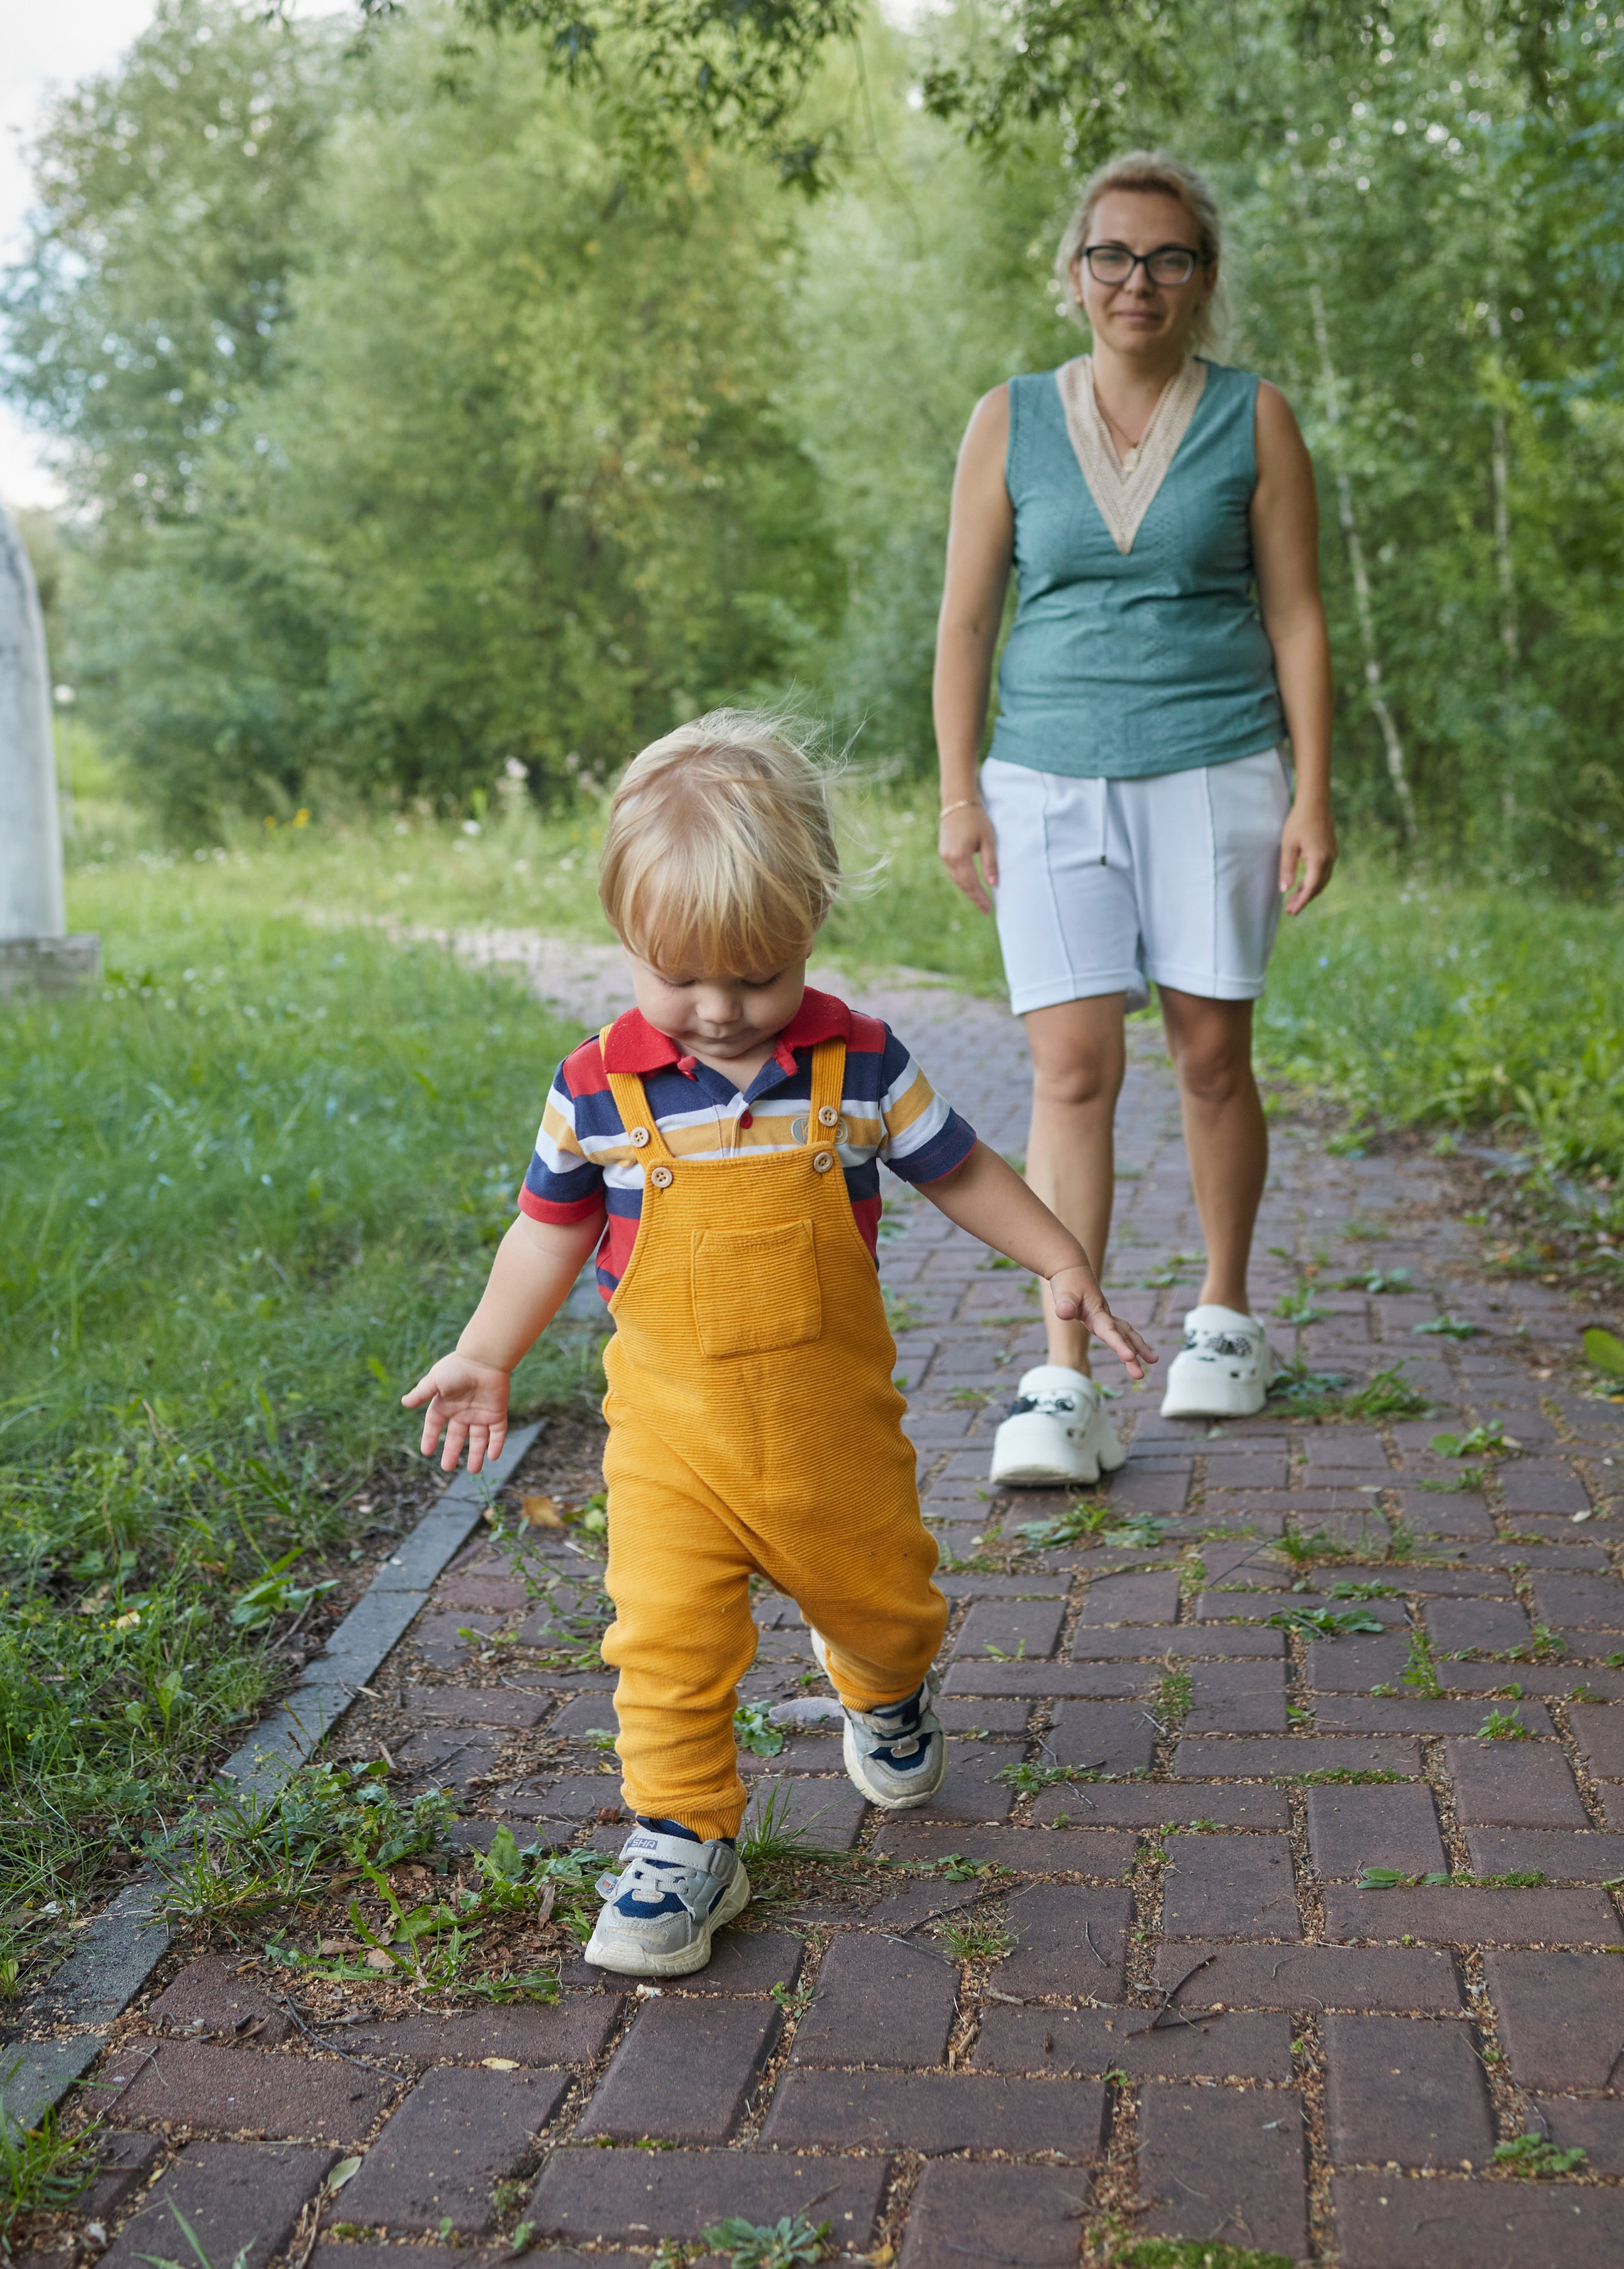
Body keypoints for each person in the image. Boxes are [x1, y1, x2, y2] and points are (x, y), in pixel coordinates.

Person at [403, 710, 1156, 1976]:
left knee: (890, 1603)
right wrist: (489, 1351)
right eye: (680, 976)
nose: (717, 1011)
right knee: (663, 1638)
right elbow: (544, 1234)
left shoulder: (857, 1064)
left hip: (830, 1433)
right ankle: (683, 1839)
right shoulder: (596, 1088)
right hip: (671, 1440)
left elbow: (960, 1169)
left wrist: (1059, 1257)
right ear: (626, 939)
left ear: (810, 924)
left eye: (756, 977)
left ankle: (887, 1683)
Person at [933, 151, 1336, 1479]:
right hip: (1042, 777)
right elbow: (968, 621)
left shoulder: (1254, 418)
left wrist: (1314, 792)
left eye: (1168, 259)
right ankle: (1064, 1379)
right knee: (1071, 1071)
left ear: (1202, 280)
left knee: (1211, 1054)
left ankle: (1224, 1316)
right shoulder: (1008, 420)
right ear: (1074, 275)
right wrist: (956, 792)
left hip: (1218, 767)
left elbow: (1294, 615)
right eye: (1112, 255)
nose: (1138, 282)